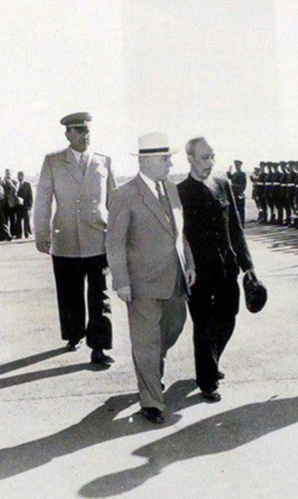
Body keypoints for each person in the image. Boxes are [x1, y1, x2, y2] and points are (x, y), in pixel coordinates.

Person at [106, 132, 196, 424]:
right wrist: (121, 281)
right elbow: (115, 243)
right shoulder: (124, 194)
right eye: (164, 159)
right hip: (141, 283)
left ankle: (153, 367)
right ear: (145, 161)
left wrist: (190, 264)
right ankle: (151, 401)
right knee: (145, 342)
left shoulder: (171, 189)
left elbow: (180, 233)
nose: (170, 164)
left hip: (174, 278)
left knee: (173, 328)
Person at [33, 112, 115, 362]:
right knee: (70, 293)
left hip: (97, 239)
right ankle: (74, 334)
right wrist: (42, 233)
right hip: (65, 239)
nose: (84, 135)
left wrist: (117, 235)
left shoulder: (103, 161)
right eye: (79, 130)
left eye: (87, 130)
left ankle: (99, 347)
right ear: (67, 133)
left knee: (99, 294)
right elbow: (43, 200)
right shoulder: (53, 162)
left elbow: (114, 201)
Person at [178, 137, 254, 402]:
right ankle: (207, 381)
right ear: (190, 159)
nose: (210, 163)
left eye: (212, 156)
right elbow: (180, 237)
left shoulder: (222, 184)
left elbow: (236, 227)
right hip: (197, 271)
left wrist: (248, 266)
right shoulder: (180, 191)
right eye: (204, 158)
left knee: (228, 317)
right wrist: (185, 267)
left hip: (226, 267)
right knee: (203, 324)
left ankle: (214, 358)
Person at [227, 160, 247, 227]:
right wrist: (229, 170)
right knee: (234, 209)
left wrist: (240, 192)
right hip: (234, 193)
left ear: (240, 165)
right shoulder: (235, 173)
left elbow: (243, 185)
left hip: (238, 194)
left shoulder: (242, 174)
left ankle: (241, 224)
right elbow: (230, 177)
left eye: (237, 165)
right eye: (235, 165)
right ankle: (236, 224)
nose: (236, 167)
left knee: (240, 210)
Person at [17, 170, 33, 238]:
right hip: (18, 206)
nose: (20, 177)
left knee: (26, 220)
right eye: (19, 176)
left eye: (21, 175)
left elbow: (30, 195)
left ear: (23, 176)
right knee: (18, 220)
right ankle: (19, 234)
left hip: (26, 205)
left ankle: (27, 233)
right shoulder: (16, 185)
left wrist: (30, 206)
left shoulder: (27, 184)